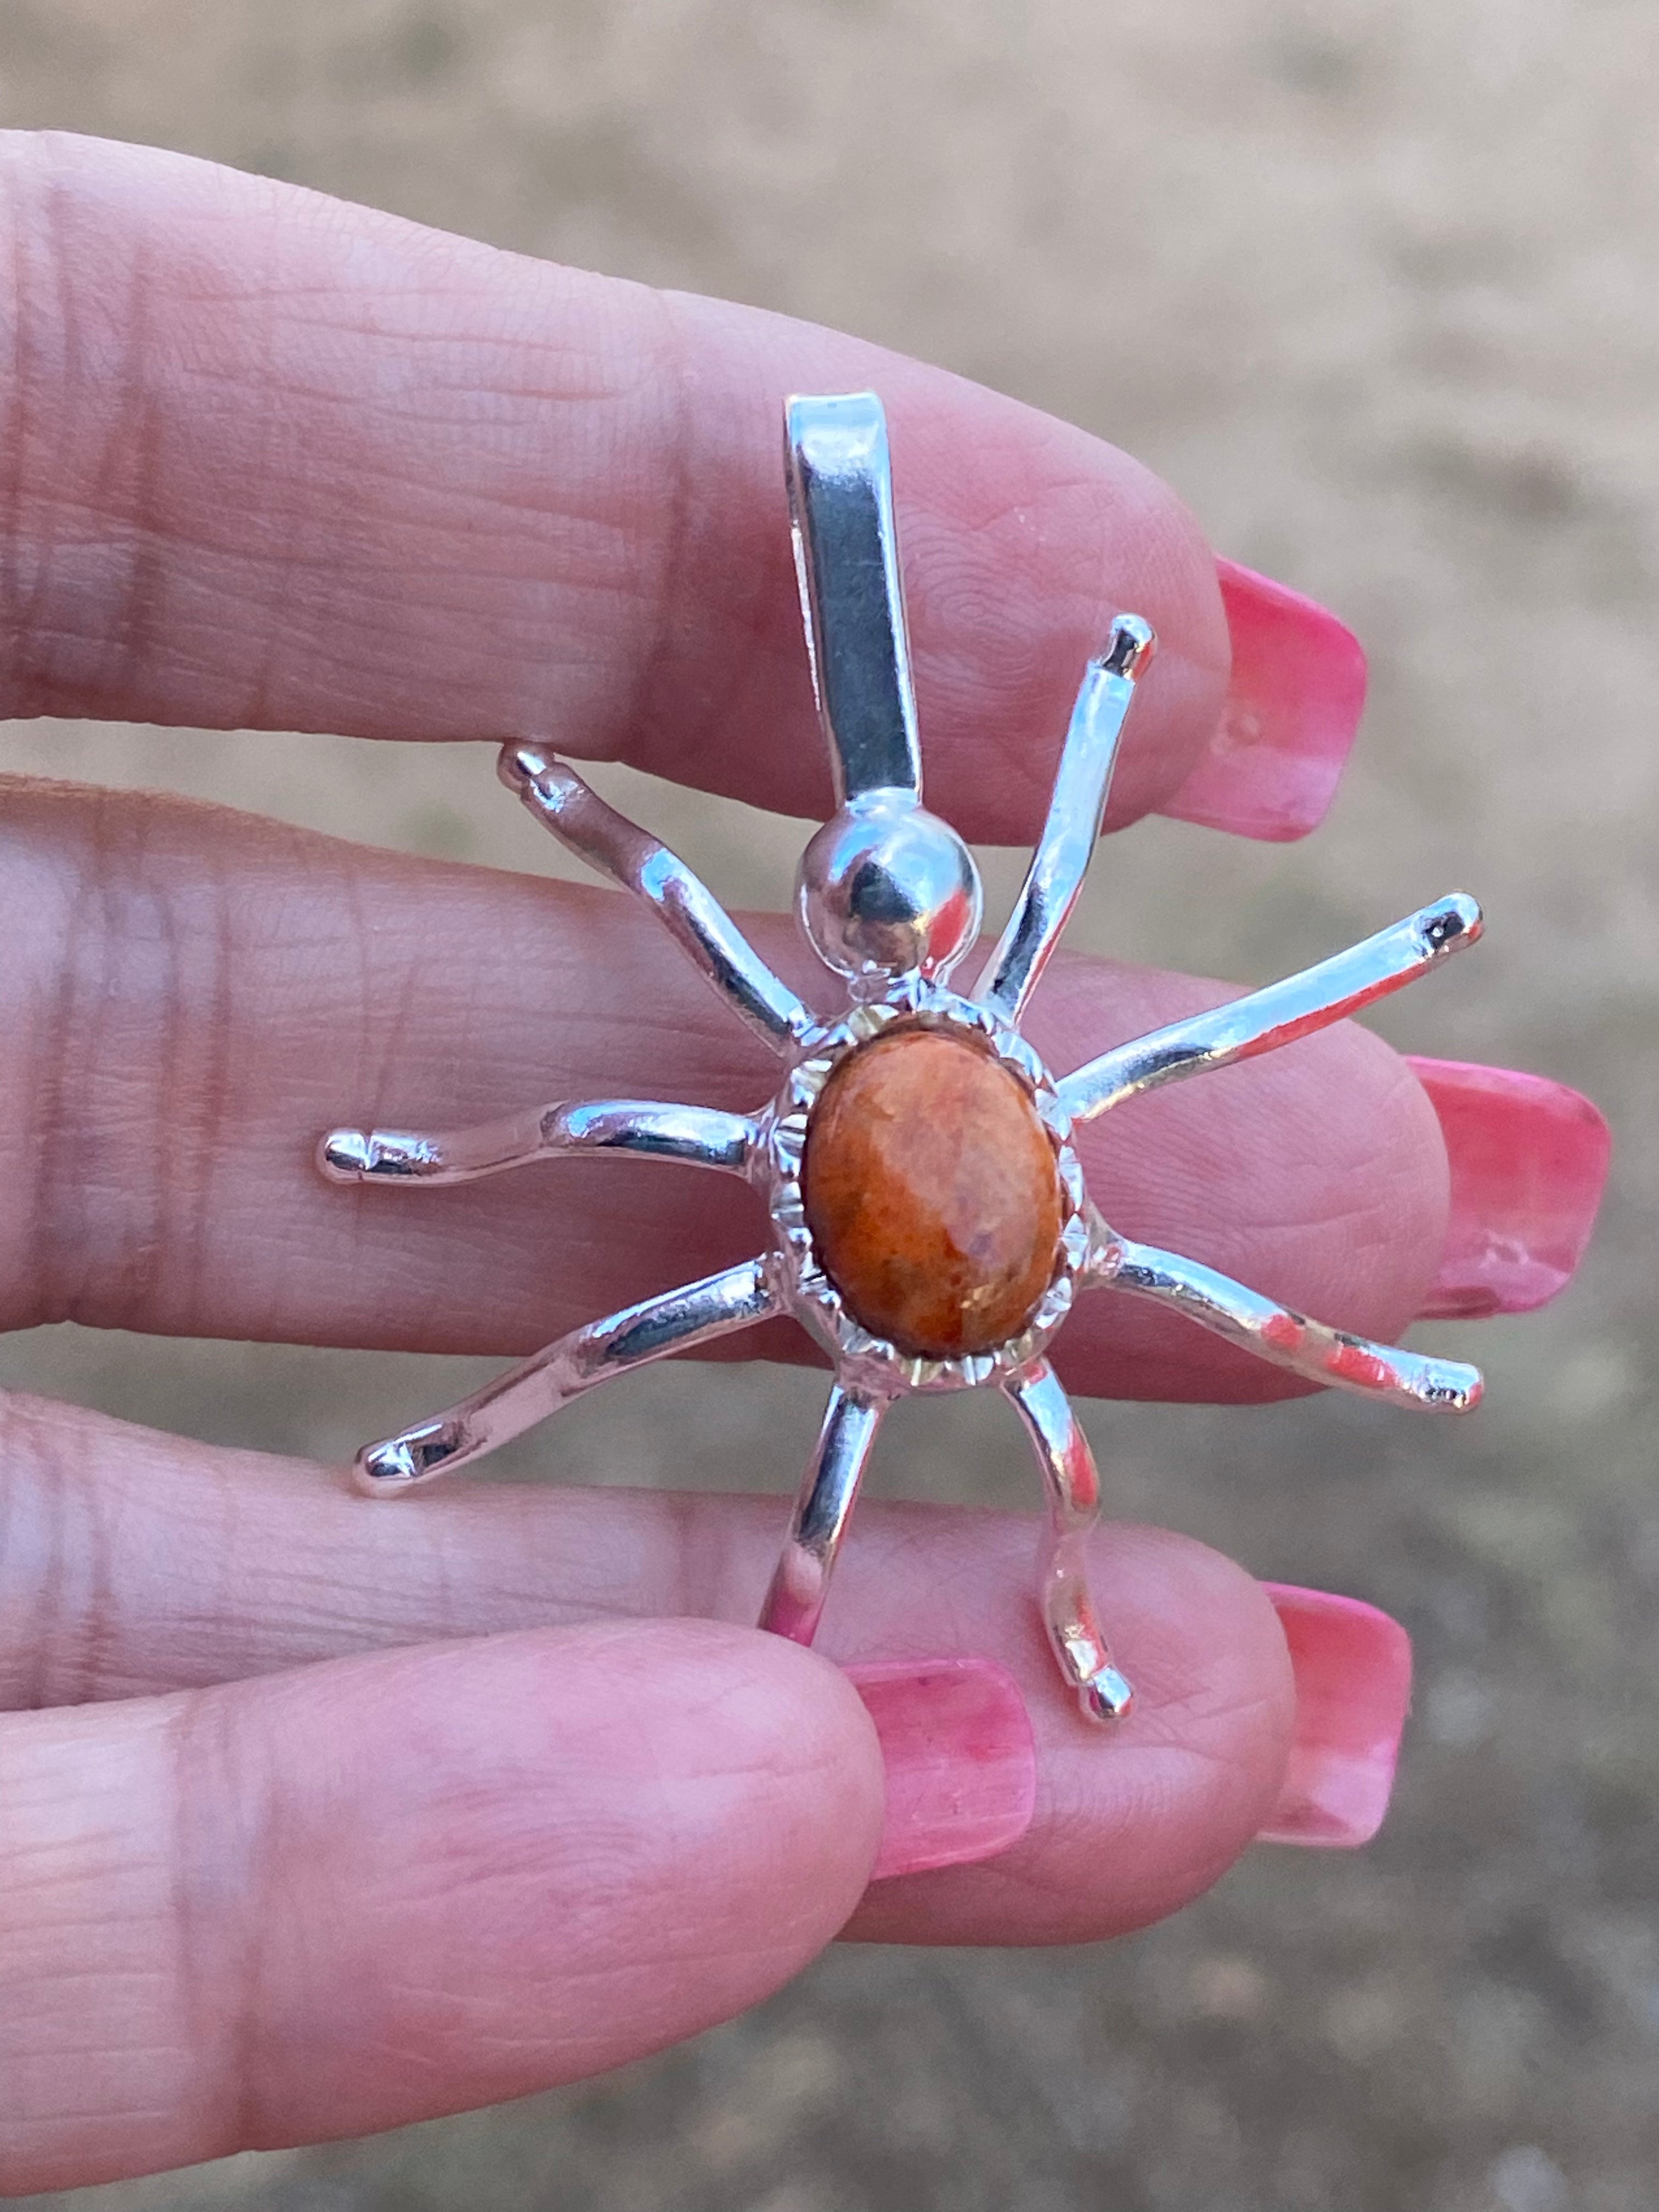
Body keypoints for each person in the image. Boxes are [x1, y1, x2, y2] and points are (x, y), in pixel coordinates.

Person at [0, 132, 1607, 2194]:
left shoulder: (975, 1001)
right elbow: (639, 980)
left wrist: (1216, 810)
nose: (926, 898)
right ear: (878, 912)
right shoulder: (853, 1017)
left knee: (1120, 1382)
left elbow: (1193, 1023)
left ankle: (1017, 1605)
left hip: (983, 1265)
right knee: (660, 1300)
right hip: (917, 1263)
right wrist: (550, 881)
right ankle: (809, 1648)